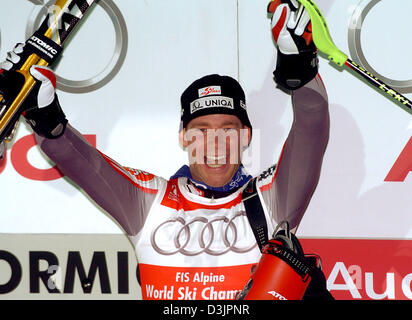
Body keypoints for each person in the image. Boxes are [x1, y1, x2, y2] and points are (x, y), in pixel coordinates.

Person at [1, 0, 331, 300]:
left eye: (228, 130)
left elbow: (311, 131)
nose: (215, 143)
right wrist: (45, 116)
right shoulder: (150, 201)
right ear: (183, 136)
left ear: (246, 136)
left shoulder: (270, 199)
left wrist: (299, 69)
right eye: (201, 130)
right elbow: (83, 163)